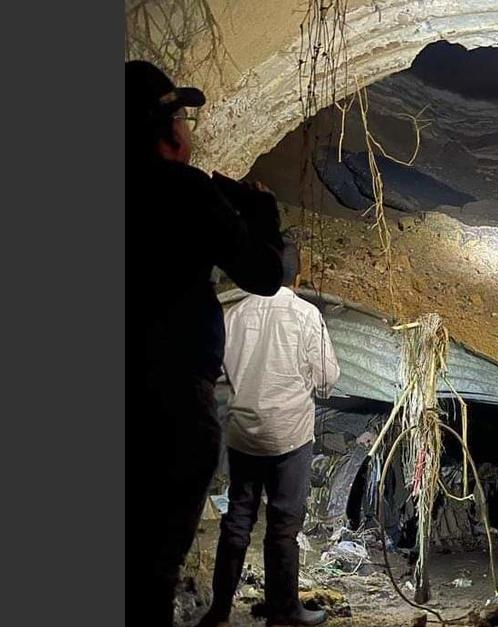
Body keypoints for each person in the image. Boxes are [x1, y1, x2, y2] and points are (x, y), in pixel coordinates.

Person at [127, 60, 285, 626]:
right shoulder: (185, 191)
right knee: (153, 566)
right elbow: (264, 274)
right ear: (170, 130)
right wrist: (264, 217)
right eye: (185, 119)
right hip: (170, 403)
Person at [198, 241, 340, 627]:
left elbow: (218, 372)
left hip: (244, 434)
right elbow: (328, 379)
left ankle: (219, 611)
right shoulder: (306, 315)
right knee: (283, 527)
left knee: (237, 522)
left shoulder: (234, 315)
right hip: (290, 437)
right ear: (296, 276)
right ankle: (284, 612)